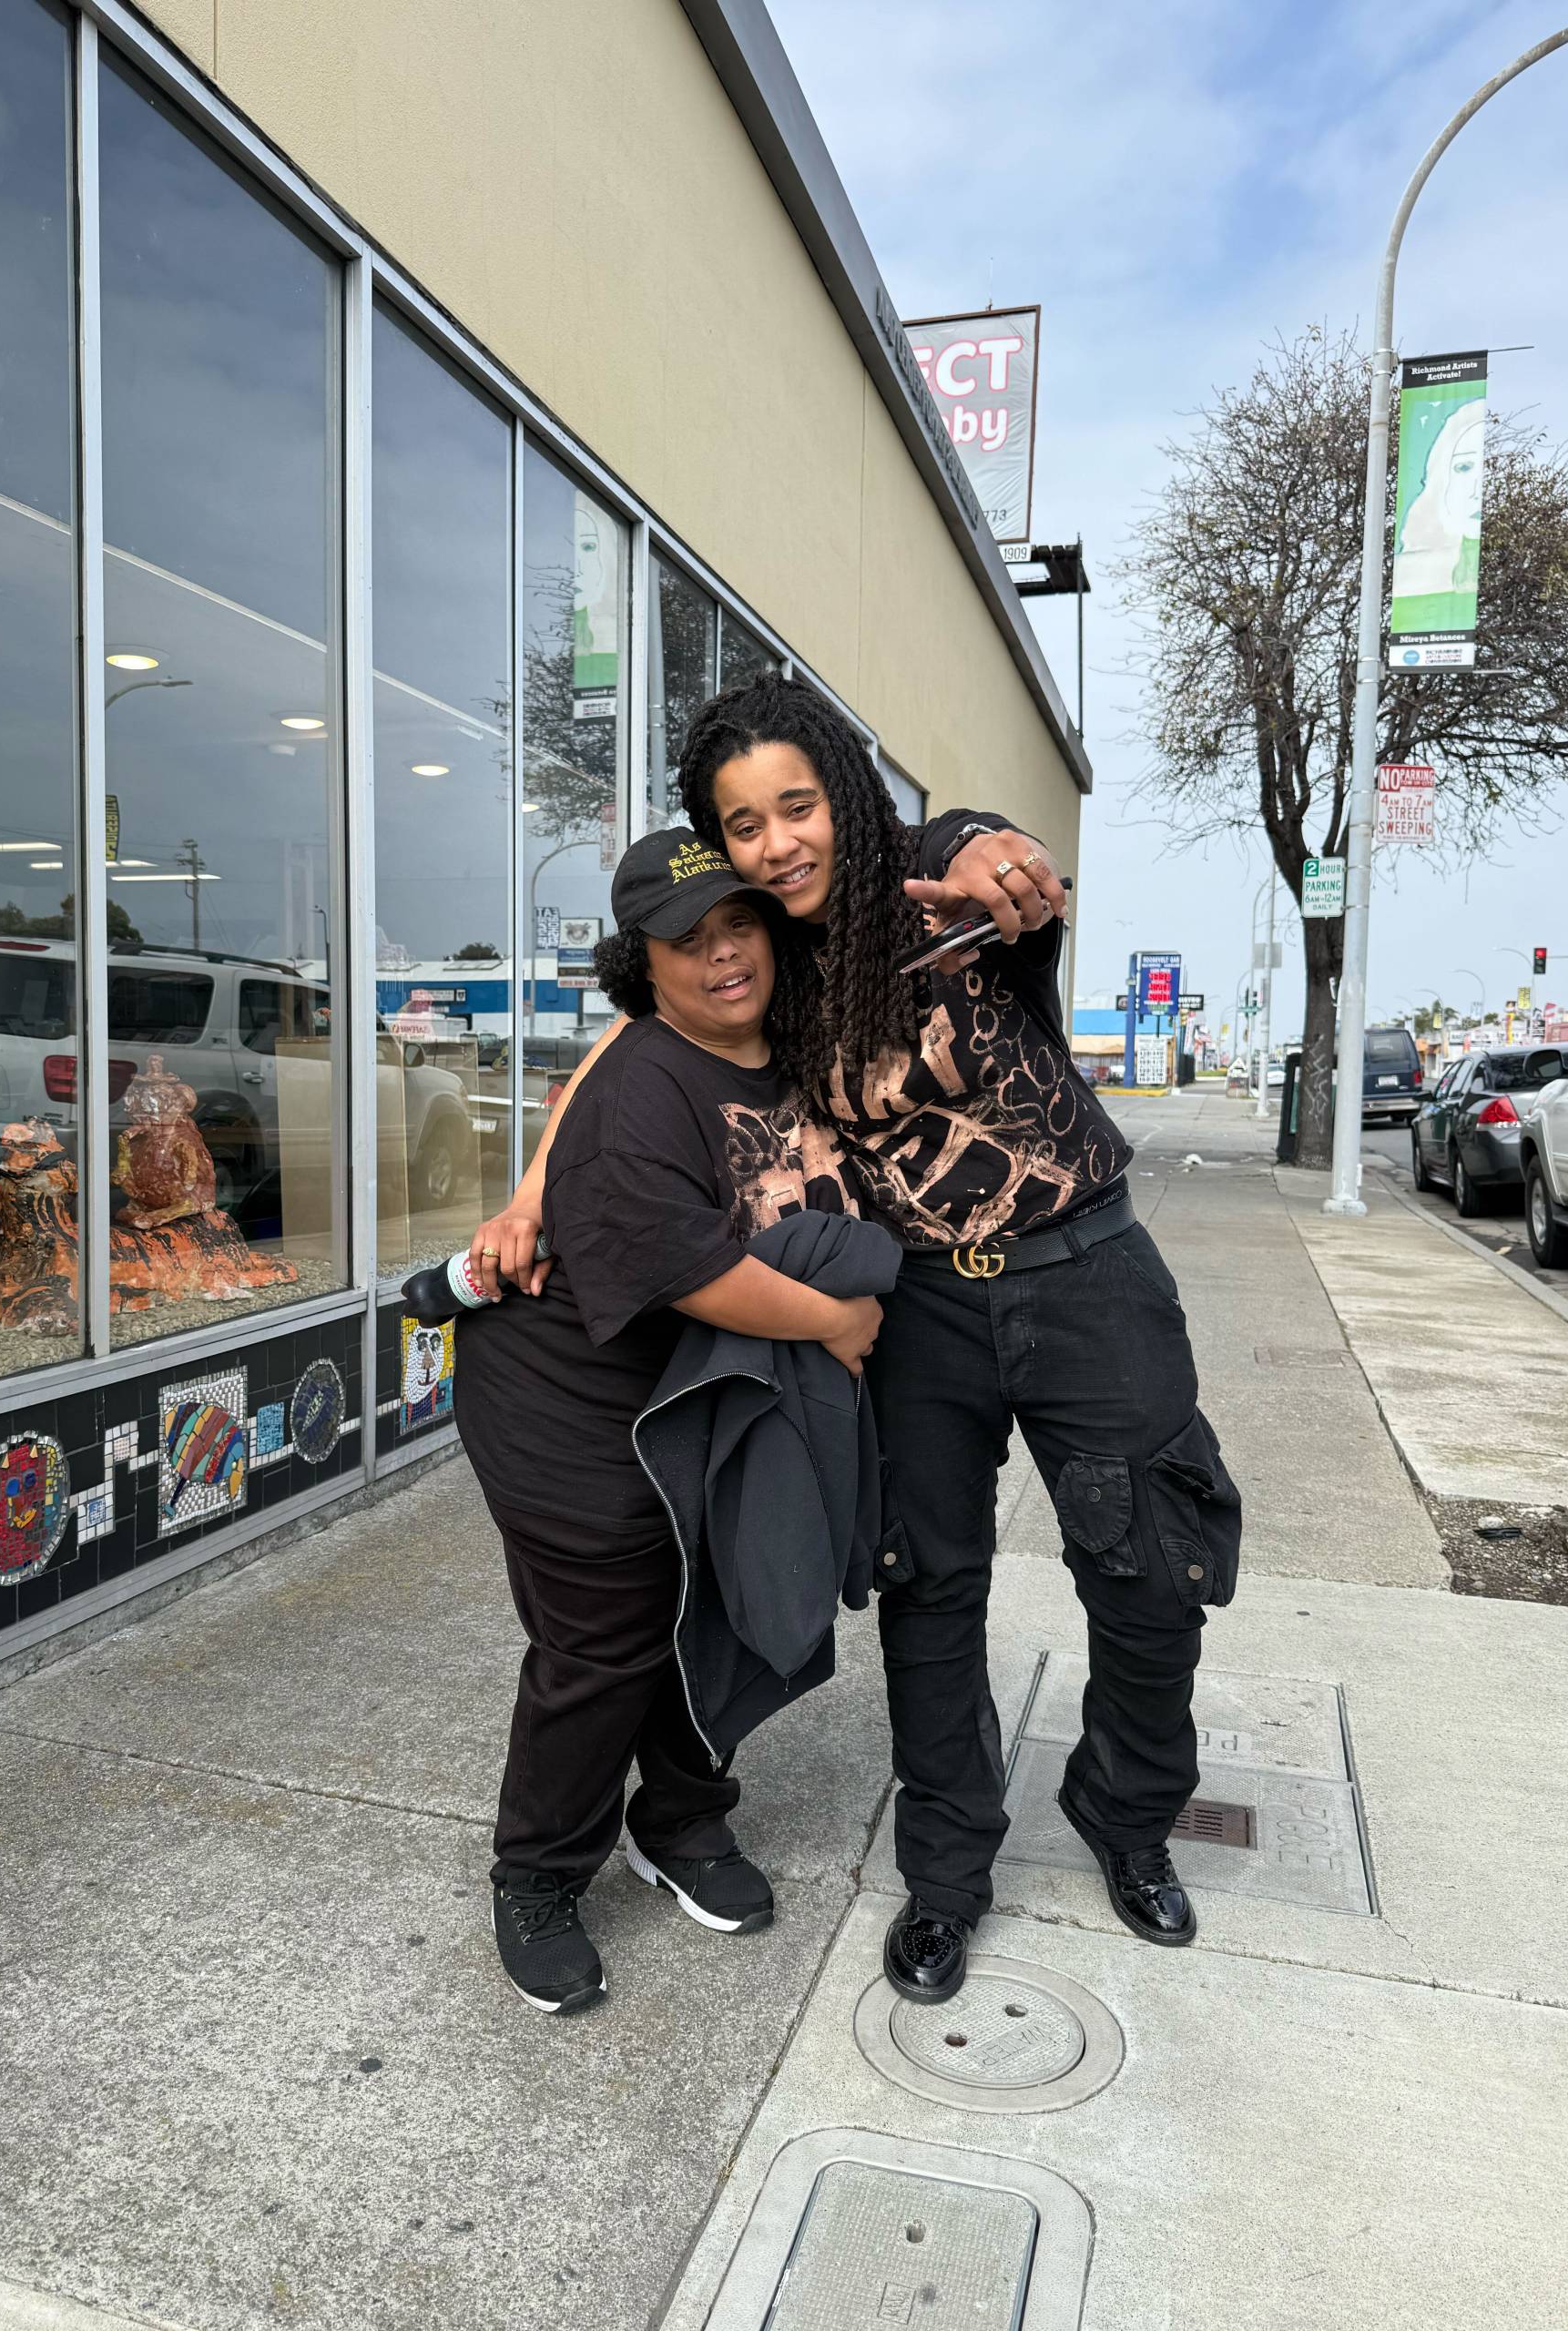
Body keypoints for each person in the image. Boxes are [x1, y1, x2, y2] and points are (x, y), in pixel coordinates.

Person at [669, 673, 1242, 2004]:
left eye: (798, 805)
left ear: (843, 798)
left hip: (1087, 1272)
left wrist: (994, 844)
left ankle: (1129, 1812)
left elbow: (981, 849)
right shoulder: (756, 965)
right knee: (930, 1591)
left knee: (1151, 1567)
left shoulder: (940, 894)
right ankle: (947, 1875)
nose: (780, 842)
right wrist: (533, 1189)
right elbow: (644, 1029)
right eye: (744, 824)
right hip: (919, 1309)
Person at [452, 828, 880, 2015]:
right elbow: (699, 1275)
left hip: (684, 1389)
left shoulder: (782, 1044)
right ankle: (536, 1874)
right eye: (687, 941)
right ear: (645, 963)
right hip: (559, 1388)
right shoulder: (649, 1080)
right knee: (608, 1632)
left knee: (716, 1593)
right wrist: (838, 1328)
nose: (723, 954)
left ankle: (678, 1823)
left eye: (738, 923)